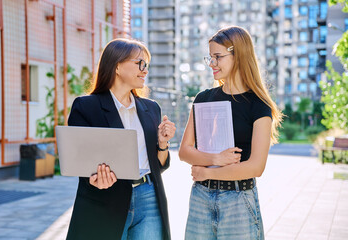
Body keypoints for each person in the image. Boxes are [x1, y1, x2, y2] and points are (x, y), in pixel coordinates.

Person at [179, 26, 283, 240]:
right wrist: (215, 159)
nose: (212, 64)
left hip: (238, 201)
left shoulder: (259, 105)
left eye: (218, 57)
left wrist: (209, 172)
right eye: (210, 57)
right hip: (200, 198)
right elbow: (184, 151)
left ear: (239, 56)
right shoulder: (203, 98)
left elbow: (256, 167)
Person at [66, 38, 176, 240]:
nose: (145, 70)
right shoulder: (86, 107)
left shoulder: (151, 108)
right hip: (105, 199)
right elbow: (78, 161)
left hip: (149, 196)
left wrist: (162, 144)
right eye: (139, 63)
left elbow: (158, 166)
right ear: (117, 66)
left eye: (146, 65)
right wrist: (94, 180)